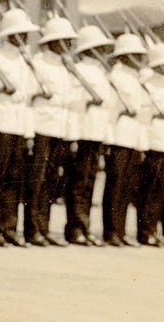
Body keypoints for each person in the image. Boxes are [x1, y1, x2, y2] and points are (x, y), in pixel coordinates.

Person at [0, 8, 41, 247]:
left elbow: (28, 100)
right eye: (22, 33)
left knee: (14, 179)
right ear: (12, 34)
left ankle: (10, 227)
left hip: (18, 123)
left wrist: (28, 132)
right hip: (0, 120)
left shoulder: (23, 60)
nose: (26, 38)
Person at [26, 16, 81, 247]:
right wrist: (29, 133)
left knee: (50, 181)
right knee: (36, 181)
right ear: (52, 41)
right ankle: (32, 230)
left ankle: (44, 227)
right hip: (40, 127)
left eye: (69, 41)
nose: (67, 45)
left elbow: (68, 104)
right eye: (63, 41)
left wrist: (70, 134)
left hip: (58, 128)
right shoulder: (37, 63)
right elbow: (29, 101)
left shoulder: (66, 68)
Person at [66, 25, 117, 245]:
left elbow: (107, 109)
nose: (103, 52)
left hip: (96, 133)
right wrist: (74, 136)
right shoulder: (79, 70)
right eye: (99, 48)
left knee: (89, 182)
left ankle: (85, 227)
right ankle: (75, 228)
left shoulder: (101, 73)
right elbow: (73, 104)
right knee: (79, 183)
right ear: (90, 49)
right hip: (83, 131)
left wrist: (105, 136)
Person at [105, 32, 150, 247]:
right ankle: (111, 231)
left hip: (131, 137)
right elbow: (110, 111)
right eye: (135, 54)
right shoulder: (115, 77)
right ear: (125, 55)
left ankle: (120, 231)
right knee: (115, 185)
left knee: (126, 186)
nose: (139, 59)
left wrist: (141, 143)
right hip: (118, 136)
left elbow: (141, 114)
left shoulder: (134, 78)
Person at [137, 42, 164, 247]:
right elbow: (144, 118)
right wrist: (144, 146)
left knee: (160, 189)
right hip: (153, 141)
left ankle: (153, 229)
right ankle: (145, 231)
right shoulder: (148, 84)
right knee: (149, 189)